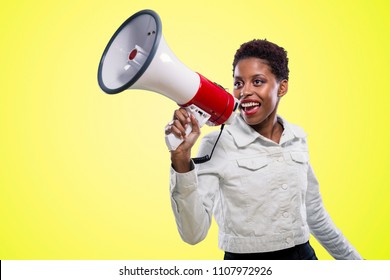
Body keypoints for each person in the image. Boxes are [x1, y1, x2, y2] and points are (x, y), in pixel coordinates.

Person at [165, 39, 362, 260]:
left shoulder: (296, 137)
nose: (244, 92)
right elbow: (194, 233)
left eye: (257, 82)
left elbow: (315, 215)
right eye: (238, 83)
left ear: (282, 87)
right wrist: (181, 159)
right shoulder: (216, 143)